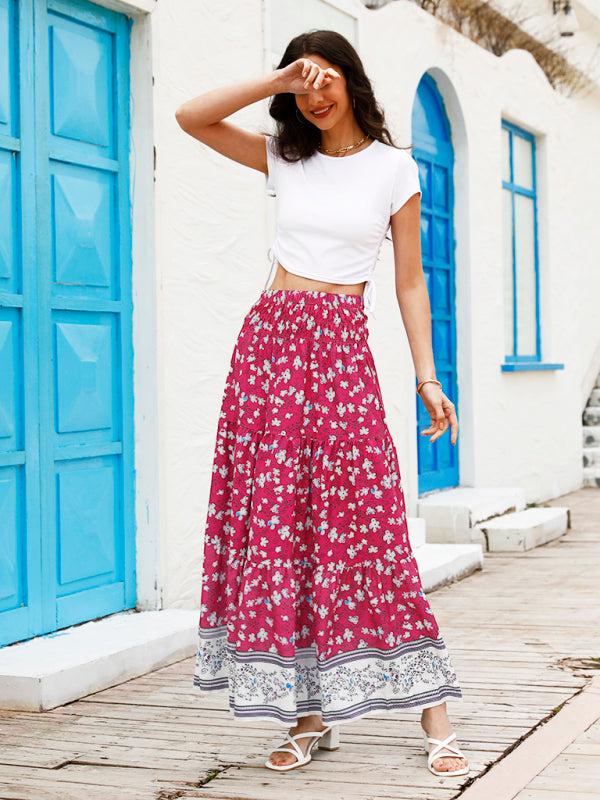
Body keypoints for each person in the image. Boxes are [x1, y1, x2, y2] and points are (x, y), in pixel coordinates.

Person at [175, 28, 468, 778]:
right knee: (286, 529)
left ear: (352, 80)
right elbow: (191, 116)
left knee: (367, 524)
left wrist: (428, 377)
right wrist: (274, 80)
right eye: (303, 84)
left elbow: (408, 283)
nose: (316, 93)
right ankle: (310, 715)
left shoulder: (395, 169)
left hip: (339, 353)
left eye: (325, 76)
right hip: (268, 352)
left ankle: (433, 708)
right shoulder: (285, 158)